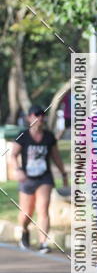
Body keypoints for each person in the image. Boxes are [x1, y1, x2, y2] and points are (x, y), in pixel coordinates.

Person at [11, 105, 69, 253]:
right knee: (26, 213)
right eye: (36, 115)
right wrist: (18, 170)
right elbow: (13, 155)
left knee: (43, 209)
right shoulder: (23, 135)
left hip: (44, 177)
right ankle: (24, 230)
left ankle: (43, 243)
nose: (40, 118)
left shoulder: (49, 137)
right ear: (29, 118)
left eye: (42, 115)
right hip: (27, 178)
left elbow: (56, 157)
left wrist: (63, 174)